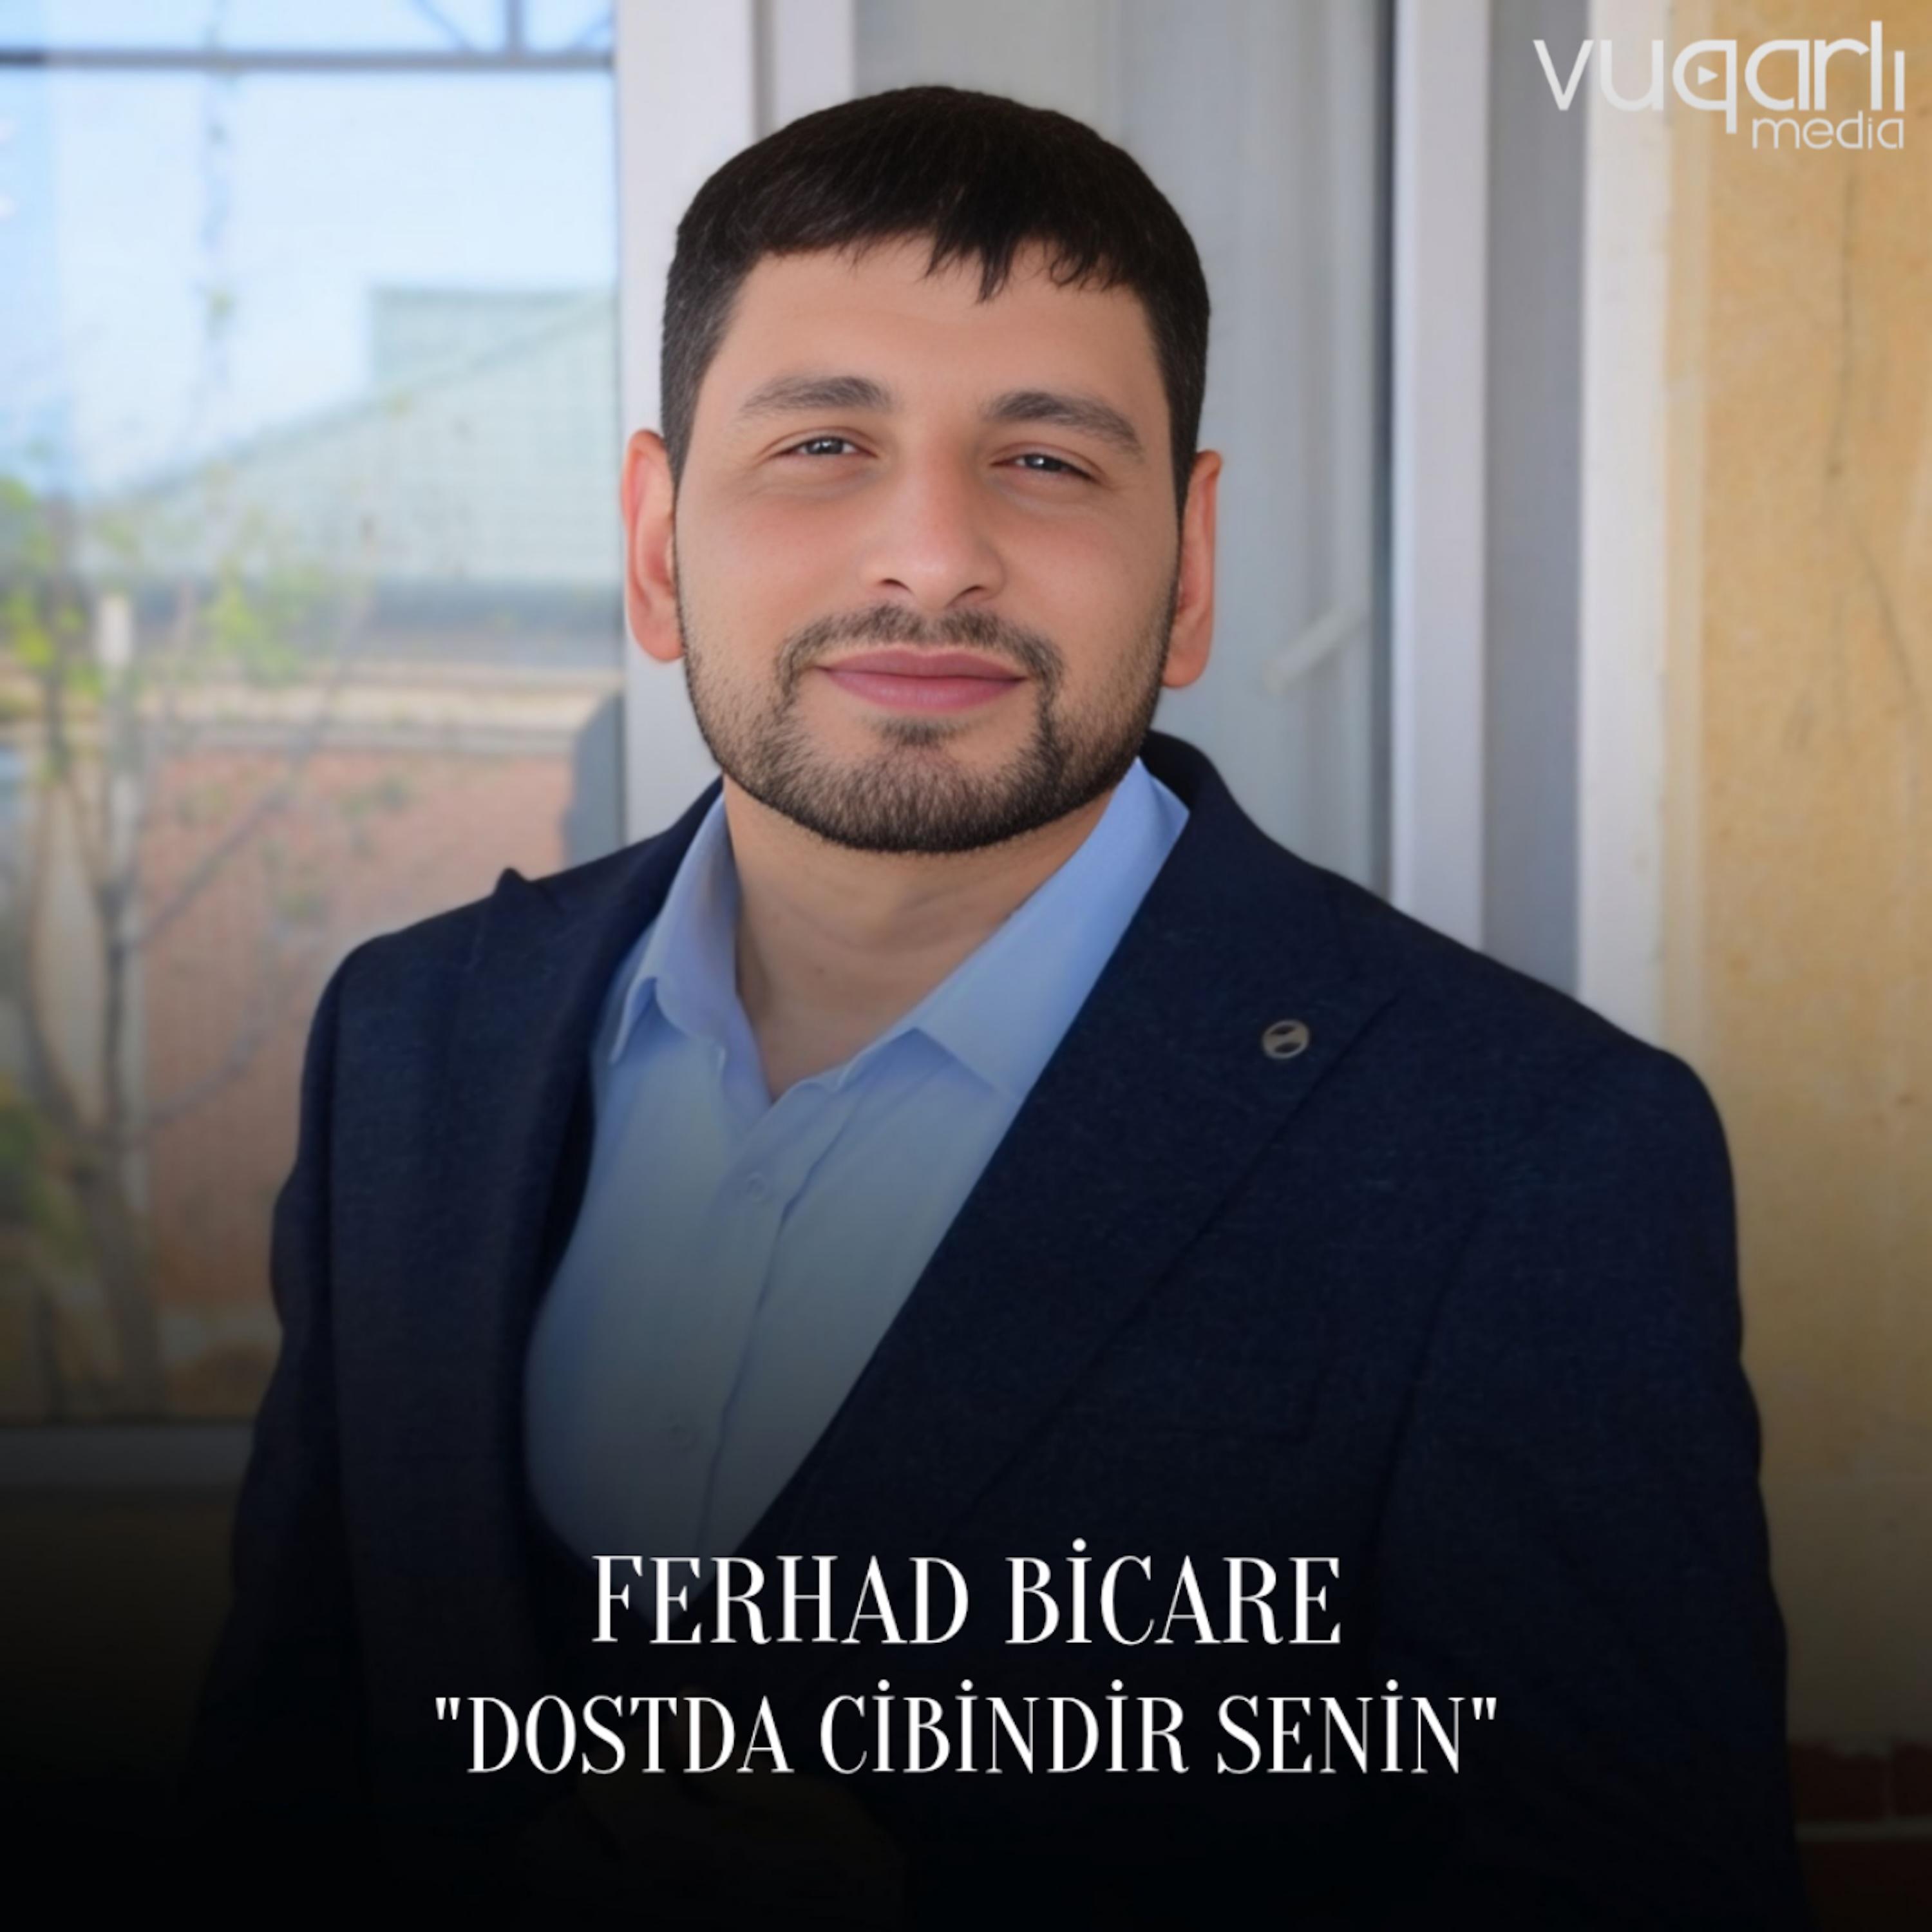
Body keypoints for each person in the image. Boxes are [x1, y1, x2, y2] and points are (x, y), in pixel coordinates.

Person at [189, 86, 1807, 1928]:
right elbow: (285, 1783)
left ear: (1190, 569)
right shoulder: (411, 1044)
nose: (933, 554)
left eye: (1044, 459)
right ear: (655, 544)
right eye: (823, 444)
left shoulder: (1530, 1156)